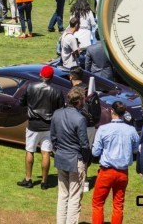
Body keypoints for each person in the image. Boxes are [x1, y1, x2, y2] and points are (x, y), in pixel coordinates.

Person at [91, 101, 140, 224]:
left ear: (112, 111)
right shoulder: (131, 130)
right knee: (118, 204)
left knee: (98, 203)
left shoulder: (103, 129)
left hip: (107, 171)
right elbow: (136, 149)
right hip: (123, 172)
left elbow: (95, 152)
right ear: (124, 113)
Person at [17, 65, 64, 189]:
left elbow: (20, 102)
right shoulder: (57, 91)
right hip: (49, 126)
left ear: (40, 75)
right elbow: (61, 110)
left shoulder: (30, 87)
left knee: (30, 150)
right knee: (46, 153)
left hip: (33, 125)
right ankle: (44, 181)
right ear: (52, 77)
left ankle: (28, 179)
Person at [51, 88, 90, 224]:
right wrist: (86, 160)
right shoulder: (80, 119)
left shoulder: (57, 114)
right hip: (75, 159)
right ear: (79, 101)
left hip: (61, 158)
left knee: (62, 196)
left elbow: (53, 138)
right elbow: (84, 144)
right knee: (74, 197)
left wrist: (58, 152)